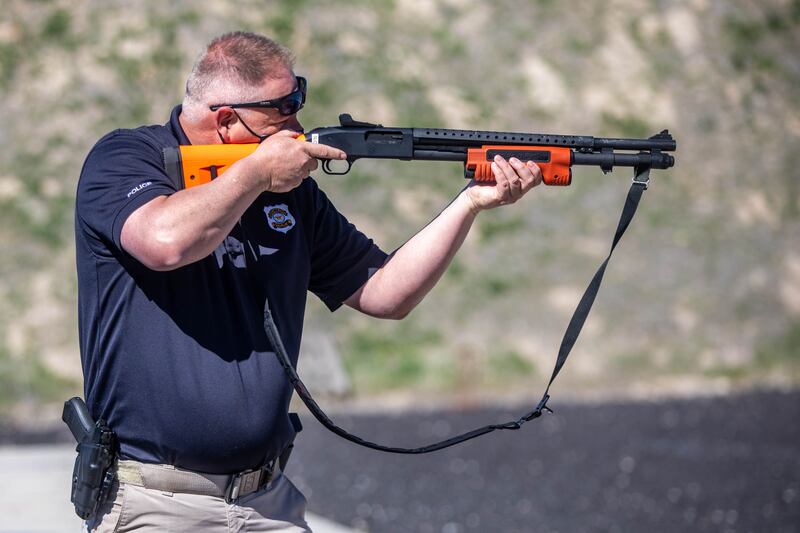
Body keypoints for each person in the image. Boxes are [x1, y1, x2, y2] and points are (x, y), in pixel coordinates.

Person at [74, 31, 541, 532]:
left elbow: (386, 291)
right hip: (160, 504)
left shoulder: (290, 194)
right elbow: (165, 242)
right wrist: (255, 173)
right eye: (280, 116)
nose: (296, 130)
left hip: (266, 500)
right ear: (227, 120)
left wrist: (469, 203)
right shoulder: (126, 158)